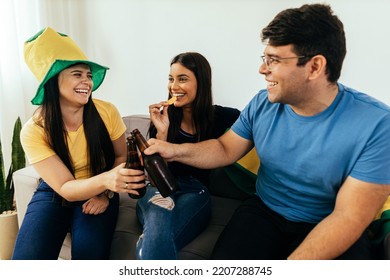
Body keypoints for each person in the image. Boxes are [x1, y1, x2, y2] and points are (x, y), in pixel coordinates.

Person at [142, 4, 390, 260]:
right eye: (265, 59)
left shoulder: (377, 125)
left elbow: (348, 216)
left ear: (315, 67)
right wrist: (172, 149)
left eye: (274, 60)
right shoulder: (262, 103)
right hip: (264, 212)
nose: (263, 69)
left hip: (327, 219)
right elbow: (225, 148)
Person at [12, 27, 145, 260]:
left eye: (89, 75)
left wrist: (105, 193)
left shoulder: (107, 112)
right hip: (55, 191)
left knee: (89, 255)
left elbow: (121, 158)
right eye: (77, 74)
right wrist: (107, 180)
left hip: (99, 189)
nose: (87, 81)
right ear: (53, 82)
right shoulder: (34, 130)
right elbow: (64, 187)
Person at [135, 52, 240, 259]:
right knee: (158, 218)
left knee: (155, 239)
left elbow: (254, 129)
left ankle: (145, 245)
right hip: (158, 189)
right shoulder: (163, 118)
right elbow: (156, 178)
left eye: (182, 79)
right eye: (171, 79)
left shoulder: (223, 117)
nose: (174, 86)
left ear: (201, 82)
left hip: (195, 191)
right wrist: (162, 132)